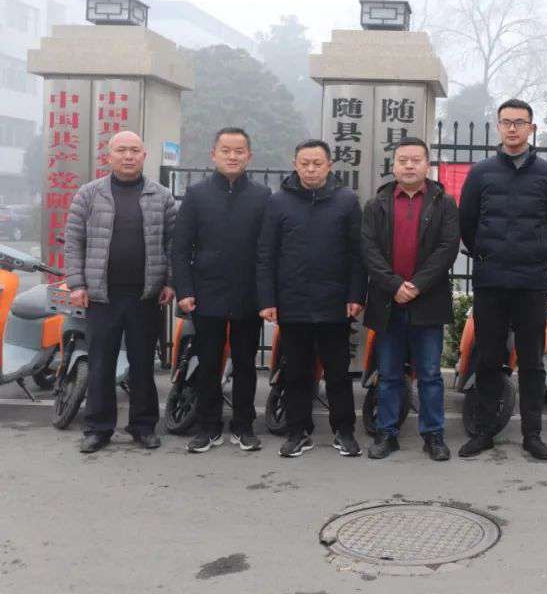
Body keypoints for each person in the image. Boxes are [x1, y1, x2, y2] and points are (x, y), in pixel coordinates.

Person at [457, 99, 547, 460]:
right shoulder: (481, 173)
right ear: (498, 126)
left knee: (532, 360)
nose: (512, 129)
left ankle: (532, 434)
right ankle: (485, 430)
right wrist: (485, 253)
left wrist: (539, 255)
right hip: (490, 279)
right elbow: (467, 222)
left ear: (531, 128)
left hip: (531, 282)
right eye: (506, 122)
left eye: (519, 122)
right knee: (488, 357)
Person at [64, 131, 177, 454]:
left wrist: (170, 282)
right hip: (102, 296)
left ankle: (143, 426)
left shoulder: (161, 196)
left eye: (135, 150)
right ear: (109, 155)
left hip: (145, 296)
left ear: (144, 156)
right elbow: (74, 242)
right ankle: (98, 428)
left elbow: (174, 244)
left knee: (143, 364)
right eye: (122, 150)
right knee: (101, 363)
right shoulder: (89, 194)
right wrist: (77, 284)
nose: (128, 156)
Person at [257, 140, 366, 458]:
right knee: (296, 372)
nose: (311, 169)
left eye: (317, 163)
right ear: (295, 164)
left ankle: (344, 431)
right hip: (293, 302)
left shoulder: (346, 201)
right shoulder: (279, 202)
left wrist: (355, 294)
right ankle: (298, 431)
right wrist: (267, 299)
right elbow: (266, 254)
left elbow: (357, 254)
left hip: (334, 302)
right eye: (304, 163)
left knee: (338, 373)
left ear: (329, 165)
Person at [172, 127, 271, 453]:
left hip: (247, 294)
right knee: (208, 363)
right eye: (225, 150)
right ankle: (208, 426)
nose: (232, 156)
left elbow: (268, 251)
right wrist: (185, 290)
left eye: (239, 151)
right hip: (206, 293)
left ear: (249, 156)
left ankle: (244, 425)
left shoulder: (262, 196)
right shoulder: (197, 195)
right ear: (213, 154)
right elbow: (180, 248)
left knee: (246, 364)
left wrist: (266, 297)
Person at [360, 137, 459, 461]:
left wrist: (416, 285)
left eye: (416, 160)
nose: (409, 165)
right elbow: (369, 250)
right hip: (388, 301)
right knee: (389, 374)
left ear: (427, 165)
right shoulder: (377, 204)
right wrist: (394, 285)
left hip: (427, 301)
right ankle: (387, 433)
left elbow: (447, 249)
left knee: (430, 374)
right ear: (394, 165)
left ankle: (434, 435)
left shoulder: (444, 203)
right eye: (403, 160)